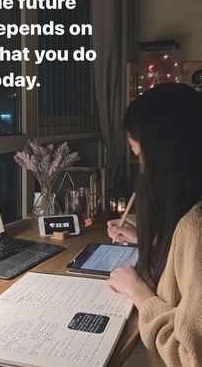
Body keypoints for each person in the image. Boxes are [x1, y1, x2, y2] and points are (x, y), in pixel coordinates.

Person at [107, 82, 202, 367]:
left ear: (164, 154)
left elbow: (189, 356)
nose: (142, 169)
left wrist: (138, 291)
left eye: (140, 155)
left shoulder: (195, 227)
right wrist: (150, 240)